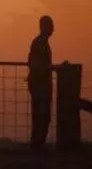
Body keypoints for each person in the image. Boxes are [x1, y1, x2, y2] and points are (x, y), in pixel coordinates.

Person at [27, 15, 55, 151]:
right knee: (41, 116)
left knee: (41, 116)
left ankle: (37, 144)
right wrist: (50, 68)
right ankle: (37, 145)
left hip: (39, 84)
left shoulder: (40, 42)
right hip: (40, 85)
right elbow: (35, 64)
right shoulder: (40, 43)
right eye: (51, 25)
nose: (53, 29)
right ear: (44, 27)